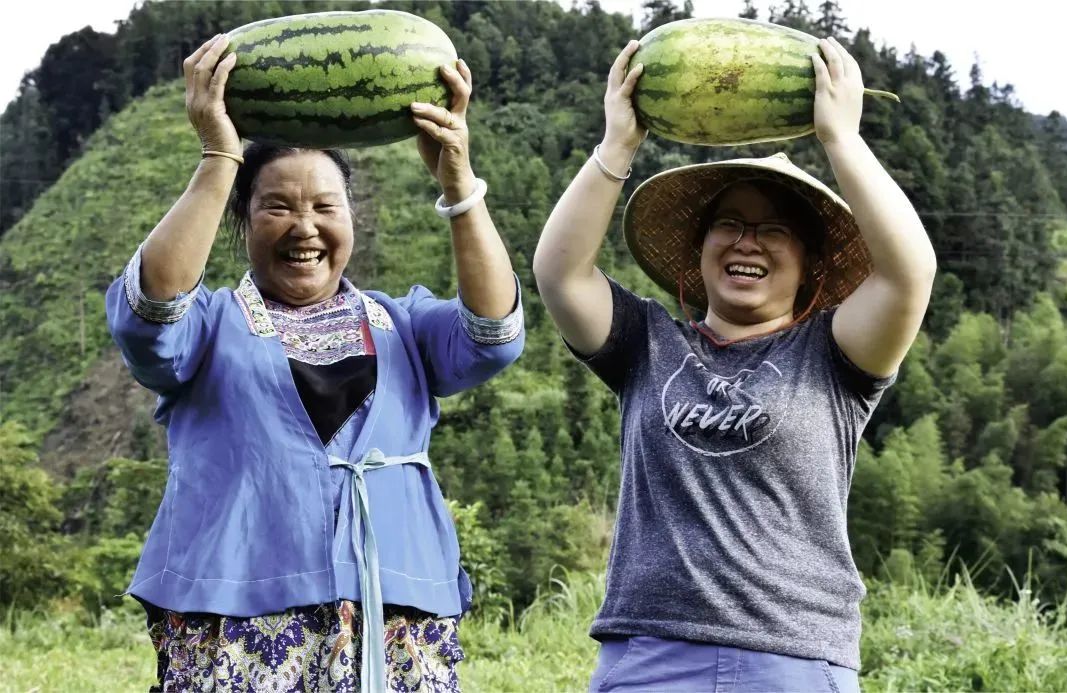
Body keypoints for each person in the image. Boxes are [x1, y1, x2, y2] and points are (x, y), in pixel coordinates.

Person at [106, 34, 523, 692]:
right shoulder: (210, 326)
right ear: (240, 220)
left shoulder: (402, 323)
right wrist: (221, 155)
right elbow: (149, 310)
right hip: (234, 615)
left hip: (395, 612)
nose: (304, 226)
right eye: (277, 206)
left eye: (325, 206)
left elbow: (493, 334)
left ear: (351, 220)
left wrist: (459, 184)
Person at [533, 36, 936, 692]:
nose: (748, 241)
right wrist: (616, 148)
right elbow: (559, 272)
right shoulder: (647, 345)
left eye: (774, 228)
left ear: (809, 264)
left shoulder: (835, 355)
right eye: (729, 224)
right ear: (700, 251)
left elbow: (911, 273)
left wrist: (842, 140)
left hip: (796, 656)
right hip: (650, 657)